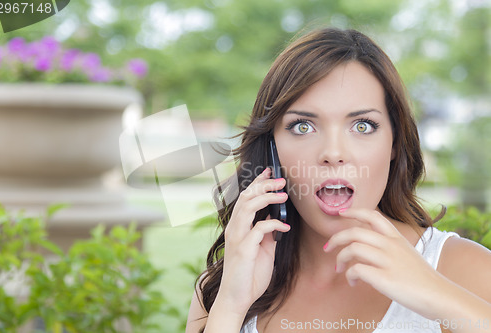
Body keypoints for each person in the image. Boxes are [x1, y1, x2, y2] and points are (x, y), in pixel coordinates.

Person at [185, 27, 491, 333]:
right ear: (271, 147)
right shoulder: (223, 286)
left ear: (395, 143)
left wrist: (434, 292)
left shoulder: (465, 270)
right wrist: (231, 305)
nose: (333, 153)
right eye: (303, 126)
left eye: (362, 126)